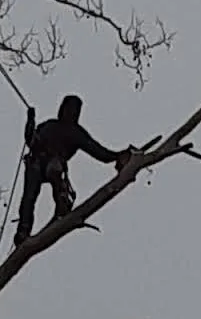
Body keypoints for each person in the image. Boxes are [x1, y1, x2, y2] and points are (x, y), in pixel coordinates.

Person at [14, 95, 131, 247]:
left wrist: (117, 156)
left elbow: (99, 152)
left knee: (54, 170)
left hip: (53, 163)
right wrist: (30, 121)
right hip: (35, 163)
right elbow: (31, 140)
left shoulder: (76, 133)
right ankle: (23, 231)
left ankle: (62, 201)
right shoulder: (50, 125)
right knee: (28, 198)